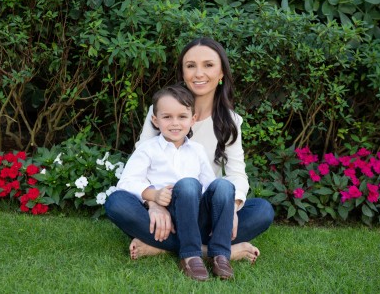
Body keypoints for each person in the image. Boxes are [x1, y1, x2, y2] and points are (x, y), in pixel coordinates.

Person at [105, 37, 274, 273]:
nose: (199, 73)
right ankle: (215, 250)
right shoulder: (162, 110)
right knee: (116, 203)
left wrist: (231, 211)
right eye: (190, 65)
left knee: (262, 211)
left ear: (221, 72)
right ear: (182, 72)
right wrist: (153, 205)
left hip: (203, 210)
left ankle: (171, 247)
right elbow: (139, 168)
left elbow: (236, 176)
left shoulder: (230, 121)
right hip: (163, 210)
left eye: (208, 65)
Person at [113, 84, 235, 281]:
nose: (175, 123)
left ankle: (220, 254)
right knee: (116, 202)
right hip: (165, 219)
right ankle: (191, 255)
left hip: (196, 218)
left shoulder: (197, 150)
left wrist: (227, 210)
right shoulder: (148, 149)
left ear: (192, 119)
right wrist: (154, 196)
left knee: (239, 196)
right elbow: (126, 182)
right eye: (167, 117)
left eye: (182, 117)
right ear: (155, 120)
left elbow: (212, 187)